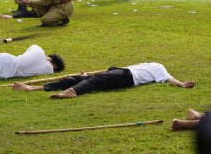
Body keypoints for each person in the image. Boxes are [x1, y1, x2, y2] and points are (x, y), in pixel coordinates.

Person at [13, 62, 195, 99]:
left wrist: (182, 84)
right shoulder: (144, 64)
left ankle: (72, 92)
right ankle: (33, 88)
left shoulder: (159, 68)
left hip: (128, 77)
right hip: (121, 72)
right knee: (76, 77)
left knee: (96, 81)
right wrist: (86, 74)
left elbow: (169, 79)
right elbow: (111, 71)